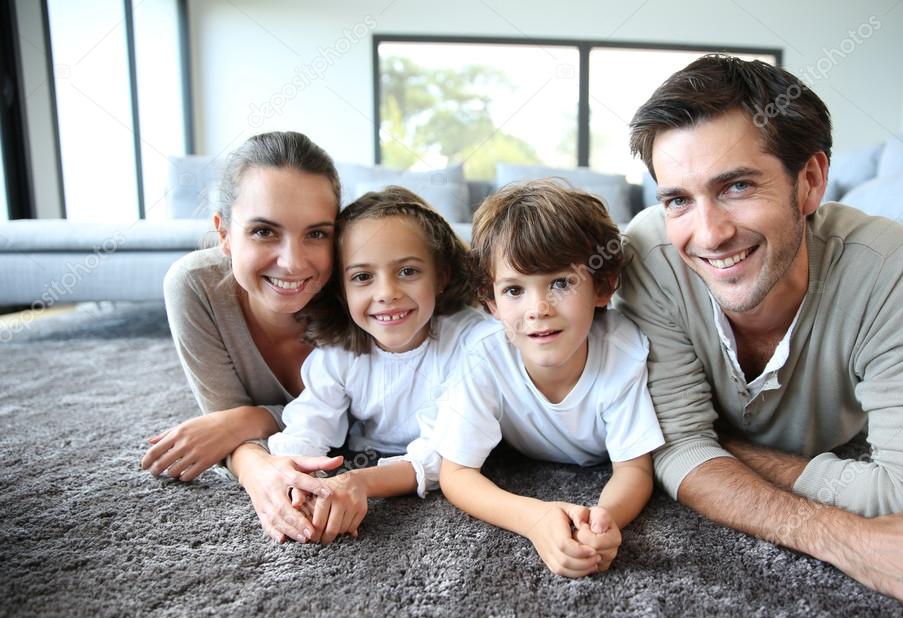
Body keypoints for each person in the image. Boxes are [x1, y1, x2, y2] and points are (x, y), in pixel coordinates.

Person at [616, 54, 903, 611]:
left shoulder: (885, 262)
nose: (708, 234)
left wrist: (720, 451)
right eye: (678, 200)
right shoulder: (649, 252)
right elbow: (677, 447)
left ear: (809, 182)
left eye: (736, 186)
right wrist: (846, 539)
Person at [424, 180, 664, 577]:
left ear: (602, 287)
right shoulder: (484, 357)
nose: (538, 309)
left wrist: (603, 521)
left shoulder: (623, 351)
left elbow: (634, 469)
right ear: (491, 303)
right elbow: (457, 473)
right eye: (514, 290)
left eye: (561, 283)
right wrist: (533, 518)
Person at [144, 131, 349, 544]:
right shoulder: (195, 286)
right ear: (224, 233)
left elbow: (368, 420)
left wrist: (248, 418)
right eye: (263, 232)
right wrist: (259, 473)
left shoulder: (360, 286)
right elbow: (224, 422)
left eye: (316, 234)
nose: (292, 264)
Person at [267, 186, 481, 543]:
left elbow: (447, 452)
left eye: (408, 271)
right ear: (341, 290)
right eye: (363, 277)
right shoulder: (338, 354)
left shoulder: (469, 344)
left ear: (441, 276)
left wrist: (360, 482)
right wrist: (300, 484)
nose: (386, 293)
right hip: (365, 454)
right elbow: (309, 425)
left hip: (411, 468)